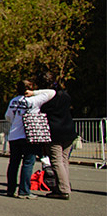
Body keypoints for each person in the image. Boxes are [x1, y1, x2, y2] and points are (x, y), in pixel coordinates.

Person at [4, 79, 55, 199]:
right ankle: (24, 190)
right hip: (29, 135)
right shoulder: (35, 99)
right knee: (28, 163)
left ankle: (11, 189)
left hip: (14, 135)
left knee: (13, 163)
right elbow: (52, 92)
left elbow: (8, 116)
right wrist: (35, 93)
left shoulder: (14, 101)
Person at [38, 71, 75, 199]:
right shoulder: (65, 95)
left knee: (56, 161)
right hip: (68, 130)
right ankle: (64, 184)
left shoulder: (46, 99)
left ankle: (63, 189)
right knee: (64, 160)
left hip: (55, 132)